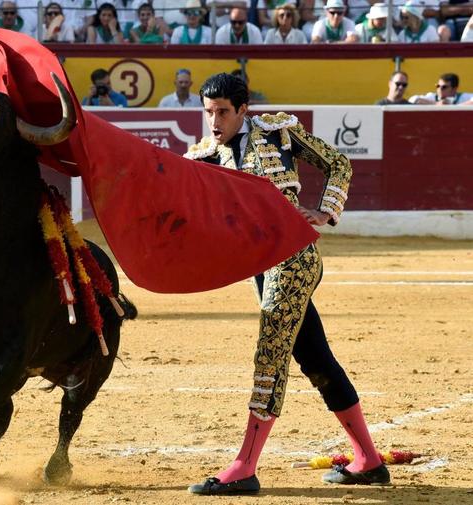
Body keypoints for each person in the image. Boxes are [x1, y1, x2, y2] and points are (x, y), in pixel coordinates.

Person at [184, 72, 390, 496]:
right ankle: (368, 460)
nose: (215, 121)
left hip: (293, 258)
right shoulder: (206, 155)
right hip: (262, 265)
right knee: (315, 358)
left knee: (270, 354)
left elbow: (338, 162)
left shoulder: (279, 133)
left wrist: (324, 211)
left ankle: (244, 466)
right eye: (209, 113)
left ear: (244, 110)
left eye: (223, 112)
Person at [409, 72, 473, 105]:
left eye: (444, 87)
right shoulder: (432, 96)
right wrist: (436, 104)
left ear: (454, 89)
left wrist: (454, 107)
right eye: (438, 86)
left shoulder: (463, 97)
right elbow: (413, 99)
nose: (440, 89)